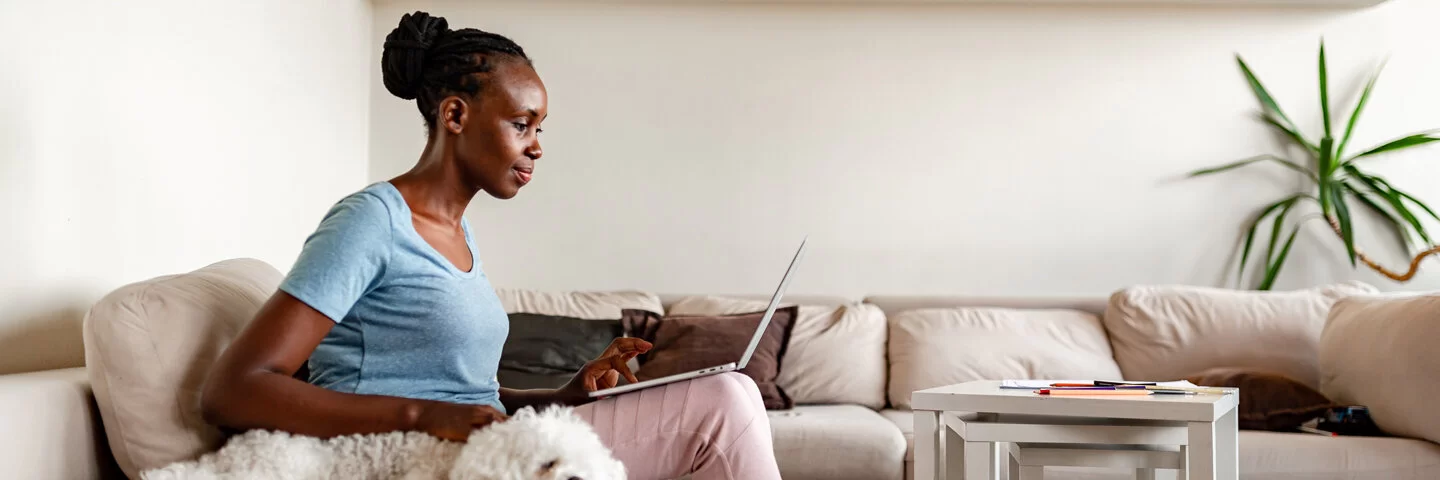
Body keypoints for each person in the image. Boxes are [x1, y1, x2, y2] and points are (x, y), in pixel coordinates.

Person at [199, 11, 782, 480]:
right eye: (521, 124)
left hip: (486, 447)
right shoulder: (370, 222)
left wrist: (566, 393)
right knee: (725, 401)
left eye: (540, 129)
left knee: (729, 396)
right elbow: (234, 390)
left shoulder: (460, 233)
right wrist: (422, 416)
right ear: (455, 114)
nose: (537, 147)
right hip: (409, 459)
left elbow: (468, 396)